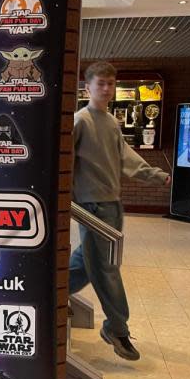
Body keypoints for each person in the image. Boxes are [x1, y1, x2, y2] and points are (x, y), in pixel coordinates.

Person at [72, 61, 171, 361]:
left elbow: (127, 159)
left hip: (112, 204)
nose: (106, 88)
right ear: (86, 87)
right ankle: (116, 328)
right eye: (100, 82)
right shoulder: (80, 121)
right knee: (106, 268)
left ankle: (51, 291)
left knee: (87, 263)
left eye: (111, 83)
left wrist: (154, 175)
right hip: (92, 207)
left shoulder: (111, 122)